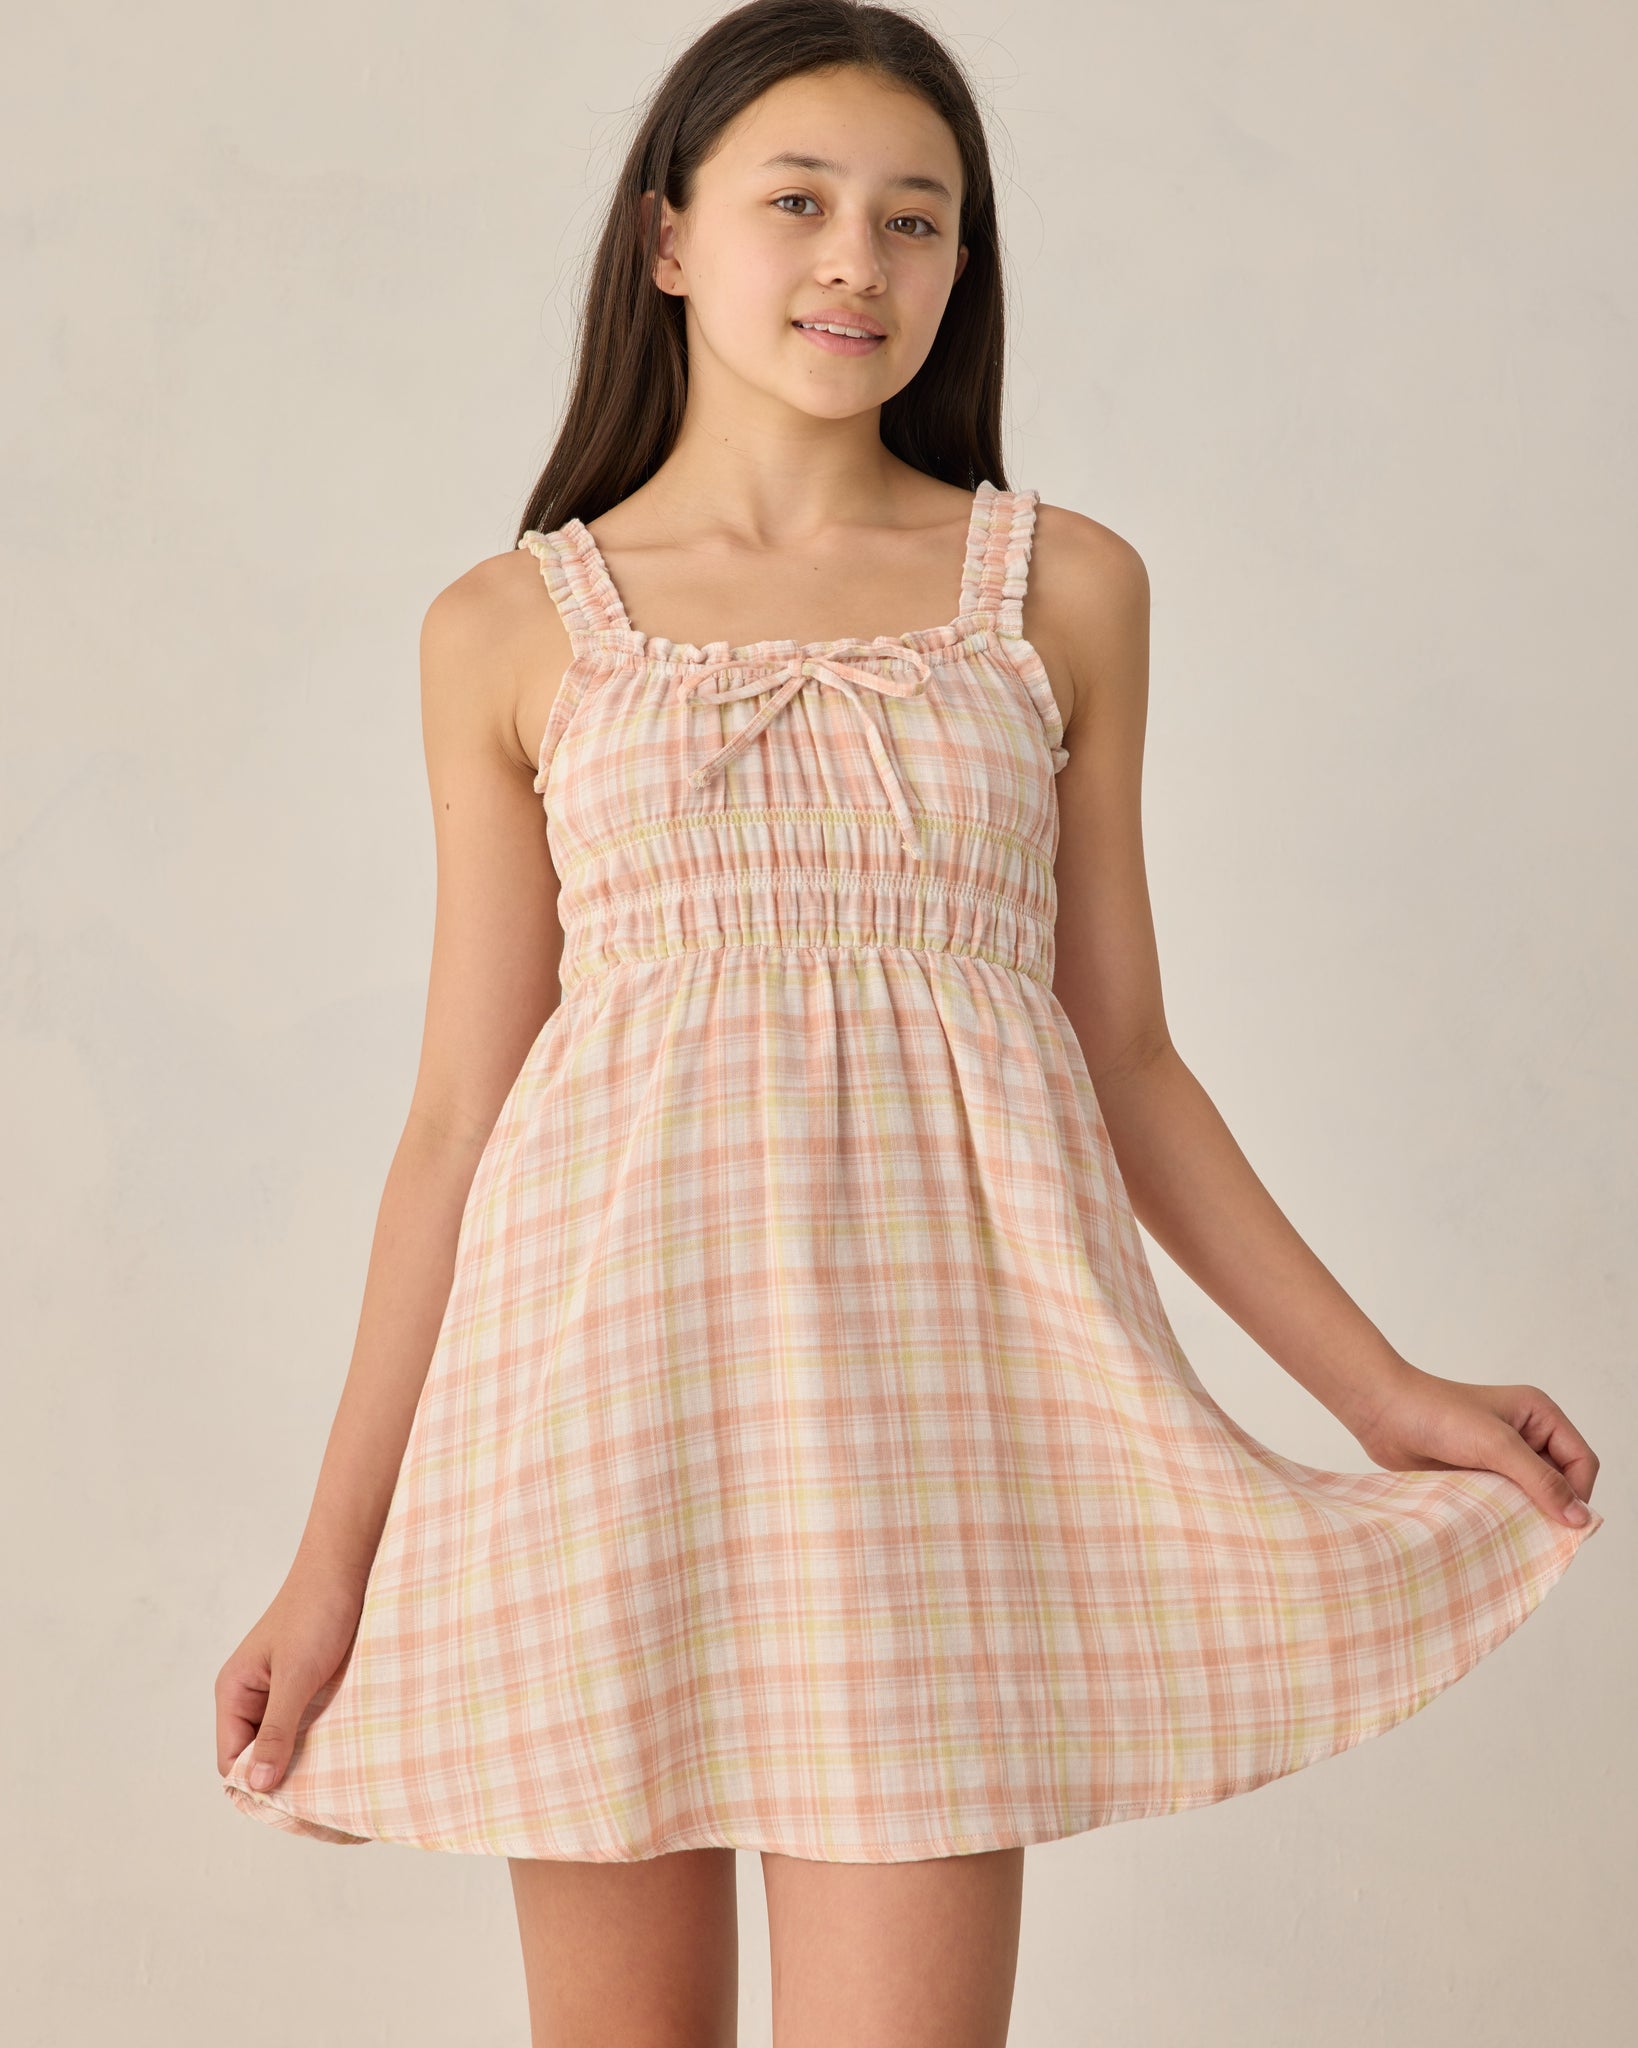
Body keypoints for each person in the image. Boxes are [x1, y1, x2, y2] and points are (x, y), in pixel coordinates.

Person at [214, 4, 1603, 2042]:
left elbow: (1125, 1056)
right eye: (798, 202)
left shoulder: (1061, 591)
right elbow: (454, 1124)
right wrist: (330, 1564)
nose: (857, 260)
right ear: (669, 236)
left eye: (916, 218)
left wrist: (1382, 1394)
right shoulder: (508, 625)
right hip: (587, 1417)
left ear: (962, 263)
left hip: (931, 1443)